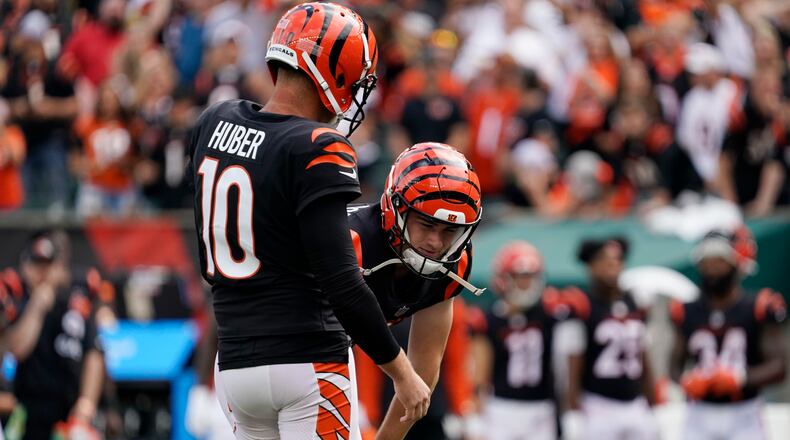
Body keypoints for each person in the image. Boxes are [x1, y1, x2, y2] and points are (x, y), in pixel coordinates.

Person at [187, 3, 431, 438]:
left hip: (236, 363)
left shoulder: (213, 122)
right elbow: (341, 283)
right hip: (306, 363)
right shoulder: (317, 145)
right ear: (333, 74)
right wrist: (402, 372)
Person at [347, 142, 483, 439]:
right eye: (426, 224)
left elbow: (423, 374)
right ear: (394, 208)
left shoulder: (454, 263)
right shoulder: (351, 240)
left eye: (449, 231)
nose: (435, 242)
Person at [670, 227, 787, 440]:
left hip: (745, 411)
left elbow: (779, 367)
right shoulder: (684, 310)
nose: (712, 267)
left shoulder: (759, 305)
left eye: (719, 260)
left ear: (736, 263)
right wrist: (687, 381)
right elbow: (674, 365)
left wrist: (740, 378)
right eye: (706, 260)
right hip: (699, 412)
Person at [470, 241, 585, 440]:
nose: (527, 283)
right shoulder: (489, 319)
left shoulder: (550, 312)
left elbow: (580, 306)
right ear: (503, 279)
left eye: (531, 276)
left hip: (542, 408)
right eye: (520, 277)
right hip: (502, 408)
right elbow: (480, 373)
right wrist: (475, 414)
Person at [2, 232, 104, 439]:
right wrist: (37, 307)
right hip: (28, 408)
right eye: (37, 264)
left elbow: (94, 353)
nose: (43, 272)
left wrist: (86, 403)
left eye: (48, 264)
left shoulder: (77, 299)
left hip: (70, 408)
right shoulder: (20, 299)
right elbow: (16, 350)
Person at [563, 237, 658, 440]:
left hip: (635, 402)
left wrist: (654, 403)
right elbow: (572, 365)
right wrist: (573, 410)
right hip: (598, 404)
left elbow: (644, 358)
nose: (612, 265)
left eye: (617, 260)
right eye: (605, 260)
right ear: (591, 266)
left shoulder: (635, 302)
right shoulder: (582, 305)